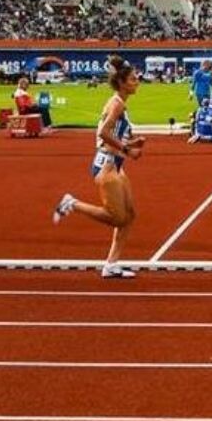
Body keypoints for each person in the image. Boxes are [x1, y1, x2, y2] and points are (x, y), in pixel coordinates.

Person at [53, 56, 146, 279]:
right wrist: (128, 149)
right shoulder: (117, 104)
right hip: (107, 164)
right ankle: (72, 203)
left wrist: (133, 142)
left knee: (129, 215)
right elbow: (103, 134)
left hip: (116, 164)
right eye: (133, 79)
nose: (137, 82)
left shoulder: (121, 104)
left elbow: (112, 135)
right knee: (116, 217)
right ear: (122, 83)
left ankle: (112, 264)